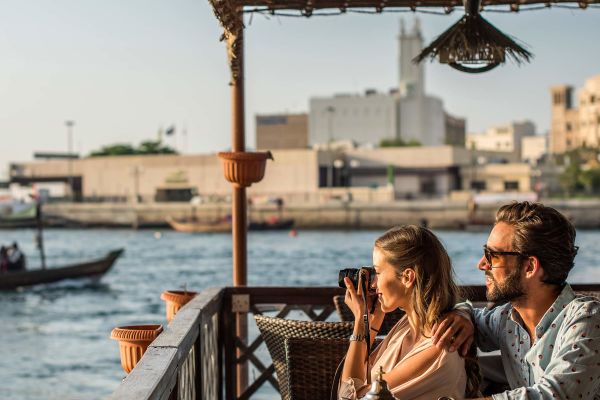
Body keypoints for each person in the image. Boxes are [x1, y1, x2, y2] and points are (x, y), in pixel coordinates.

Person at [432, 201, 600, 400]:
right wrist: (462, 315)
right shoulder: (507, 319)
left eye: (492, 256)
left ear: (530, 267)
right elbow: (470, 315)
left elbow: (555, 396)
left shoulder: (588, 320)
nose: (481, 264)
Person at [339, 225, 481, 400]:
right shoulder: (406, 327)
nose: (373, 284)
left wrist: (361, 323)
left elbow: (348, 397)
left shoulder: (438, 346)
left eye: (377, 272)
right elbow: (362, 380)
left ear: (407, 277)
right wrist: (371, 324)